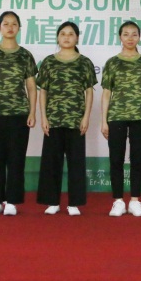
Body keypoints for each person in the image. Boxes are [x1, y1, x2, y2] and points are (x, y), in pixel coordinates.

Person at [0, 11, 38, 216]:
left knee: (16, 159)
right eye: (6, 24)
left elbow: (31, 87)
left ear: (19, 28)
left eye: (14, 24)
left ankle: (12, 201)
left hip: (19, 113)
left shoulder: (25, 55)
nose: (10, 27)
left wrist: (32, 111)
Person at [36, 21, 97, 216]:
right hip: (53, 119)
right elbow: (43, 91)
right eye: (63, 33)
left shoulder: (84, 62)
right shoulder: (49, 62)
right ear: (57, 37)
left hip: (76, 120)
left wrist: (86, 117)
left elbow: (89, 91)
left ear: (77, 38)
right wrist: (44, 117)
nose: (67, 37)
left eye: (71, 34)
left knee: (76, 162)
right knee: (51, 162)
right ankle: (52, 201)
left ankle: (74, 203)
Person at [101, 21, 141, 217]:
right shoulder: (112, 63)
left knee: (137, 159)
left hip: (140, 116)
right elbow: (106, 93)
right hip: (116, 116)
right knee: (116, 159)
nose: (130, 38)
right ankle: (118, 201)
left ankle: (135, 201)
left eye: (134, 34)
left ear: (139, 37)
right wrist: (103, 120)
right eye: (126, 34)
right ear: (120, 37)